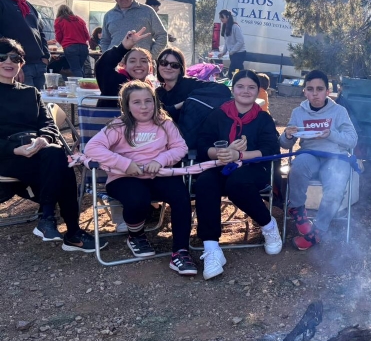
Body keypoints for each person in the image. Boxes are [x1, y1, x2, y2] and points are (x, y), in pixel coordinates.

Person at [0, 37, 103, 252]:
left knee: (56, 156)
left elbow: (49, 125)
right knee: (61, 167)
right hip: (6, 155)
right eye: (2, 56)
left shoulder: (31, 93)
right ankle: (70, 231)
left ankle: (48, 219)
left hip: (37, 151)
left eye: (15, 57)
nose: (8, 61)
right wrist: (13, 149)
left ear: (22, 63)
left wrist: (43, 139)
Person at [83, 81, 196, 274]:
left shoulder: (164, 123)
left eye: (148, 101)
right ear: (126, 105)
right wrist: (126, 164)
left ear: (155, 102)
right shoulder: (118, 126)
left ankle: (180, 252)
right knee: (138, 199)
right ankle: (135, 235)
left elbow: (180, 148)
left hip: (158, 173)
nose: (144, 107)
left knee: (181, 196)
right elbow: (92, 148)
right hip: (124, 177)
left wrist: (160, 160)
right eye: (136, 102)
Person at [195, 70, 282, 279]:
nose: (245, 91)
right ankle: (212, 248)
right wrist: (222, 153)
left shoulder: (263, 118)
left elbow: (271, 149)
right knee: (205, 182)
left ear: (258, 91)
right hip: (219, 165)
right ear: (232, 90)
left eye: (251, 87)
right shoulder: (218, 114)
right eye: (240, 86)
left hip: (253, 168)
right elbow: (202, 144)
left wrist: (240, 154)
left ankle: (268, 225)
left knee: (237, 183)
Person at [280, 70, 358, 251]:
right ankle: (297, 210)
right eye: (310, 89)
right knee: (298, 165)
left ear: (327, 91)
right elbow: (285, 144)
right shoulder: (298, 112)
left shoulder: (339, 111)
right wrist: (287, 135)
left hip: (335, 156)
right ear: (304, 92)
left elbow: (352, 140)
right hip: (309, 154)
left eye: (319, 89)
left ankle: (318, 231)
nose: (315, 93)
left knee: (337, 180)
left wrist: (330, 134)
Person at [0, 0, 49, 89]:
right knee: (24, 106)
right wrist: (13, 64)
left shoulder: (26, 4)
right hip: (19, 67)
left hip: (38, 65)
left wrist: (45, 56)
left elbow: (40, 31)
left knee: (39, 106)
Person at [99, 0, 168, 55]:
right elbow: (105, 40)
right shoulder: (109, 16)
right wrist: (107, 58)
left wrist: (151, 56)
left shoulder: (147, 11)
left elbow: (162, 35)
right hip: (115, 64)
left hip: (142, 64)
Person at [155, 47, 218, 122]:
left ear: (181, 69)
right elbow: (158, 115)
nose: (168, 67)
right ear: (158, 66)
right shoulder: (158, 93)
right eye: (163, 63)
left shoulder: (190, 84)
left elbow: (221, 89)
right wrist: (180, 105)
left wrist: (192, 99)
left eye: (174, 65)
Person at [95, 28, 154, 107]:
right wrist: (122, 48)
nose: (138, 65)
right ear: (124, 66)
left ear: (150, 66)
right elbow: (102, 66)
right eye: (132, 61)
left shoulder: (151, 88)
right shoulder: (116, 83)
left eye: (143, 61)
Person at [53, 5, 91, 78]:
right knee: (79, 68)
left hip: (70, 47)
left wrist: (64, 44)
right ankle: (84, 85)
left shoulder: (59, 21)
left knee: (76, 69)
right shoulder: (80, 20)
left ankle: (81, 86)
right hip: (83, 47)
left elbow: (58, 36)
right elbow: (87, 35)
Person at [219, 9, 246, 76]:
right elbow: (227, 42)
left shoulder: (235, 27)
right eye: (220, 17)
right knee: (236, 72)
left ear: (228, 17)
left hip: (239, 53)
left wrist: (232, 51)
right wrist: (223, 52)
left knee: (233, 72)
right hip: (233, 54)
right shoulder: (225, 27)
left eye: (222, 17)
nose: (221, 19)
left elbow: (241, 41)